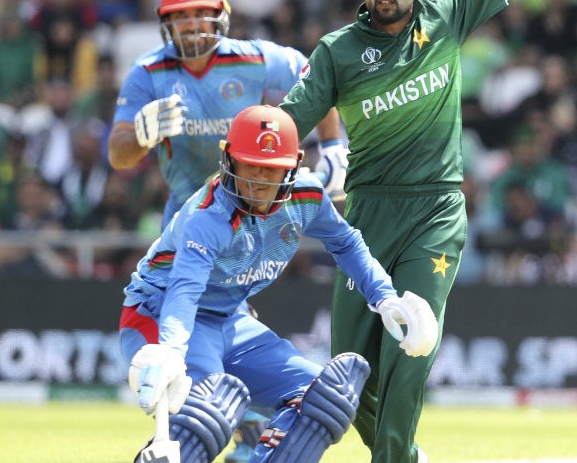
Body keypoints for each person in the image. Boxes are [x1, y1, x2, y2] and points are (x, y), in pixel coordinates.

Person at [278, 0, 577, 463]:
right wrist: (245, 145)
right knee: (349, 374)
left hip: (434, 212)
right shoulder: (337, 51)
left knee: (412, 350)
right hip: (365, 217)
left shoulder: (447, 18)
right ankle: (403, 456)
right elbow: (288, 123)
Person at [107, 0, 348, 461]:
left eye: (201, 14)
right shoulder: (148, 73)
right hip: (188, 222)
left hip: (251, 217)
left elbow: (317, 77)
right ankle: (181, 436)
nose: (193, 26)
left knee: (229, 348)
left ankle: (234, 437)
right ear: (164, 24)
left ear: (222, 18)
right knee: (198, 364)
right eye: (181, 17)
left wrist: (336, 145)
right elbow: (117, 153)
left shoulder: (255, 58)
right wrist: (141, 133)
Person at [121, 104, 438, 463]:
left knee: (322, 398)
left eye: (272, 170)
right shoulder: (208, 217)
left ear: (294, 164)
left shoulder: (306, 196)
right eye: (250, 164)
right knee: (208, 411)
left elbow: (345, 241)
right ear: (228, 159)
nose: (258, 180)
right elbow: (184, 289)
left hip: (229, 318)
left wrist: (384, 297)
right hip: (161, 313)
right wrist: (173, 352)